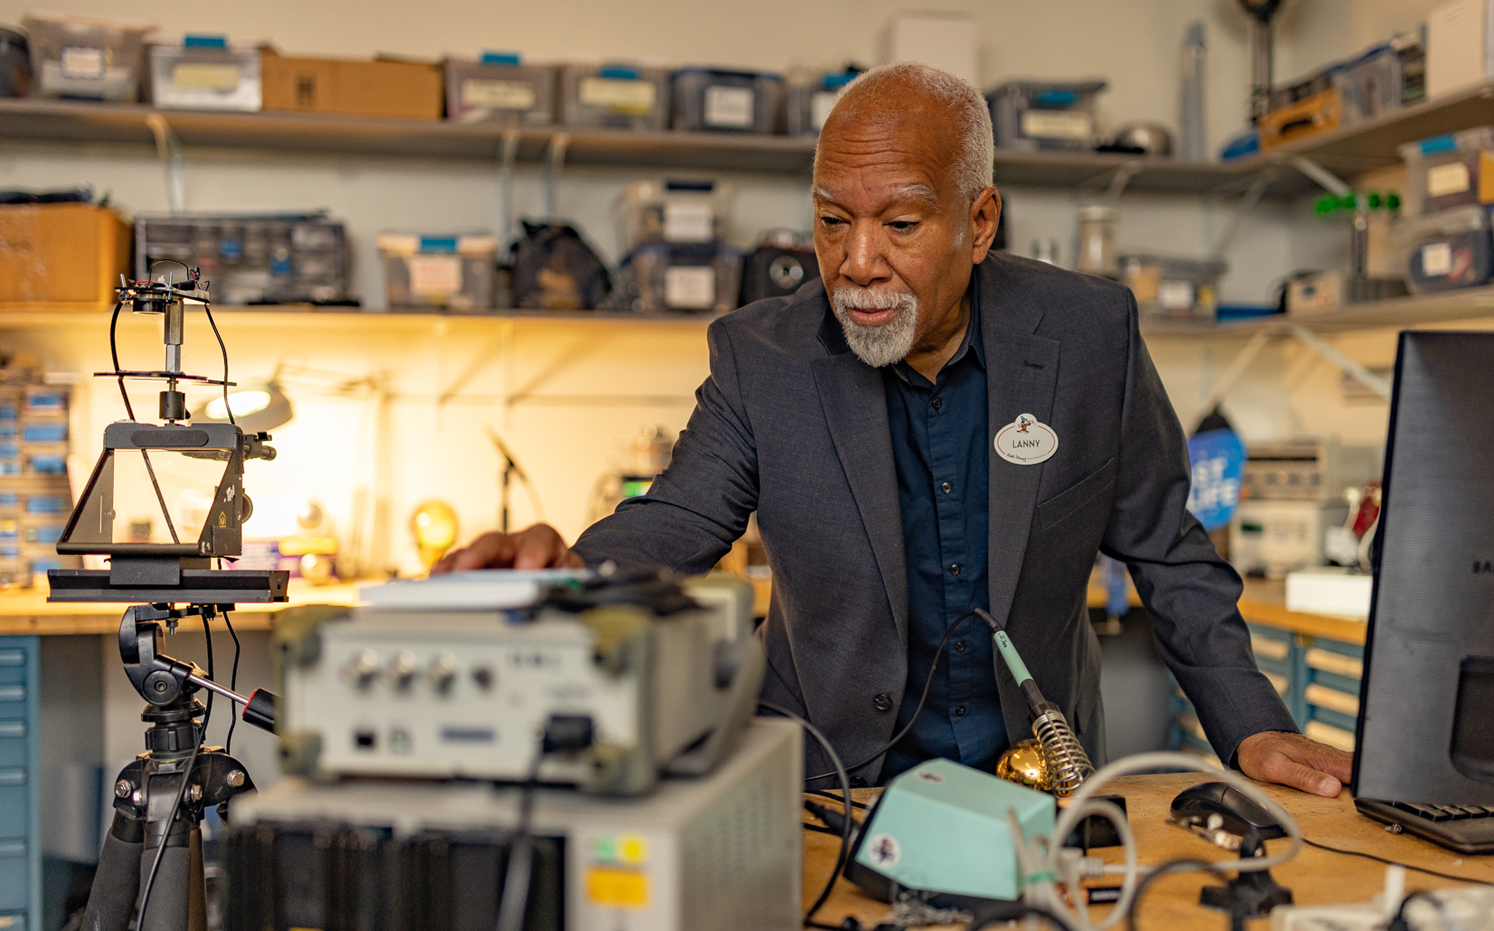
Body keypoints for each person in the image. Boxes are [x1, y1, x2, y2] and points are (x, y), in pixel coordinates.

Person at [436, 62, 1353, 798]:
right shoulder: (763, 357)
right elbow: (676, 521)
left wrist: (1253, 724)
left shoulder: (1087, 335)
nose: (858, 262)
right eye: (833, 221)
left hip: (1039, 779)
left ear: (979, 221)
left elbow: (1168, 551)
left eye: (901, 223)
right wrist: (569, 575)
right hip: (829, 789)